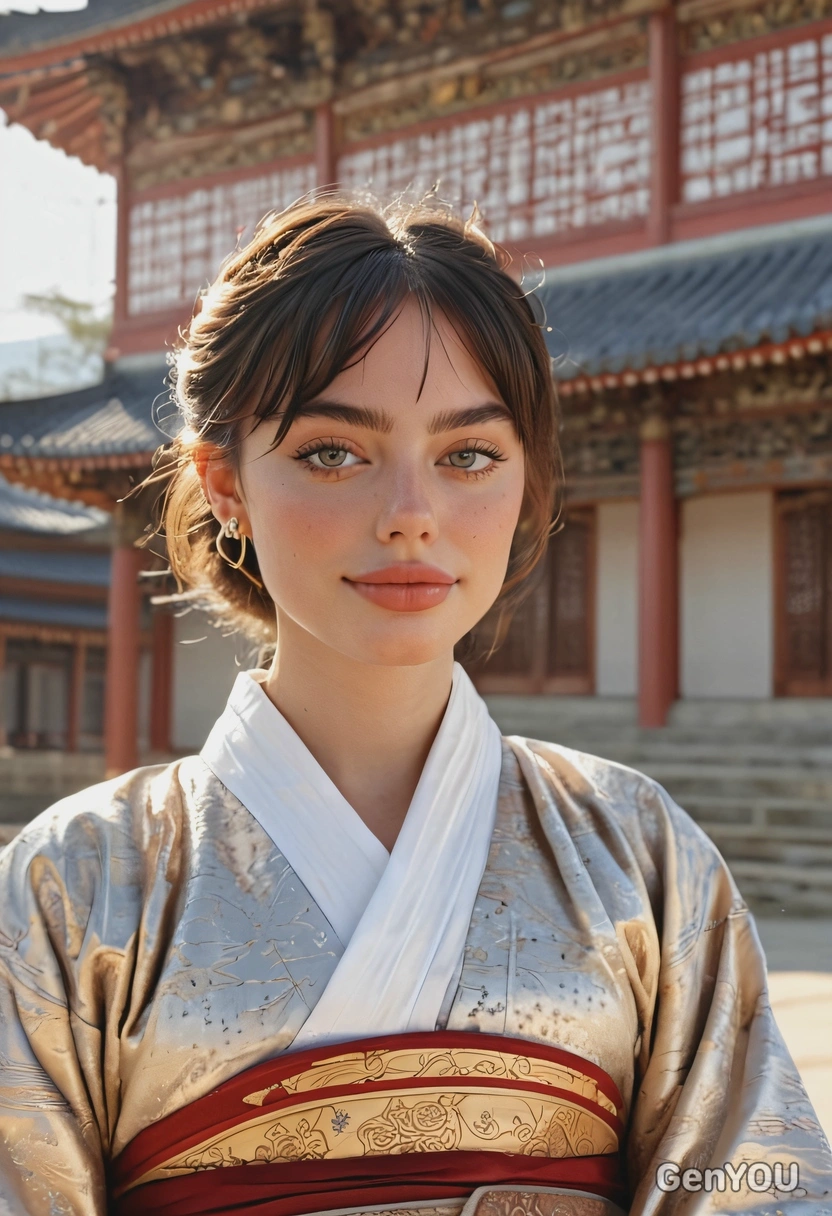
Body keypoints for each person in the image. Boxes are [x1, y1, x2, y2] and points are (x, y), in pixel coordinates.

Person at [0, 195, 829, 1216]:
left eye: (468, 455)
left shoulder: (639, 854)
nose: (409, 516)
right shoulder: (74, 882)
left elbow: (757, 1185)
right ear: (224, 485)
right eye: (332, 452)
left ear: (525, 481)